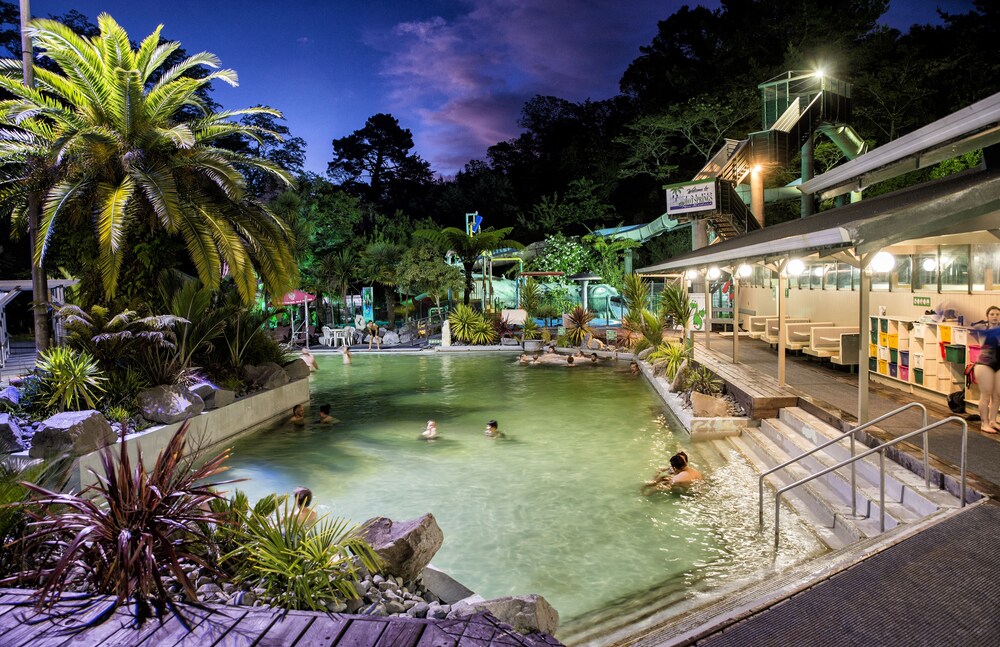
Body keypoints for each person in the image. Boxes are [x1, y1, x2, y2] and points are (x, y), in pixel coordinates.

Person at [972, 306, 1000, 433]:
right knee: (986, 395)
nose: (995, 316)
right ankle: (984, 423)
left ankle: (993, 420)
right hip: (985, 364)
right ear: (987, 316)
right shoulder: (983, 328)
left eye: (997, 314)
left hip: (998, 364)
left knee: (997, 395)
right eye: (992, 314)